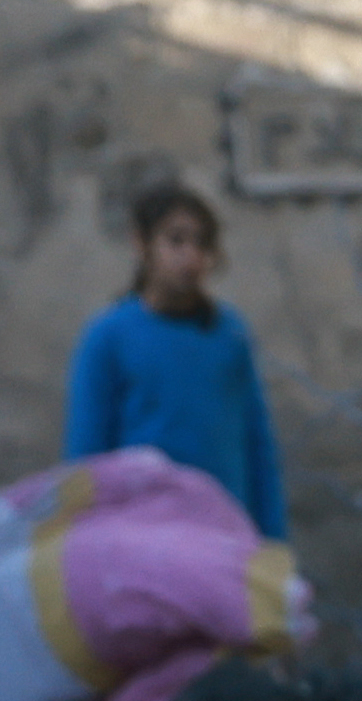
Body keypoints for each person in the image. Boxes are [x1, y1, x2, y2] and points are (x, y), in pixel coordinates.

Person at [64, 184, 286, 536]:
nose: (191, 256)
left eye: (201, 243)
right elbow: (88, 455)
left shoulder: (228, 335)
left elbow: (256, 444)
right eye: (176, 241)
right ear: (142, 244)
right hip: (141, 533)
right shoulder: (109, 336)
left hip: (222, 530)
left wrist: (273, 540)